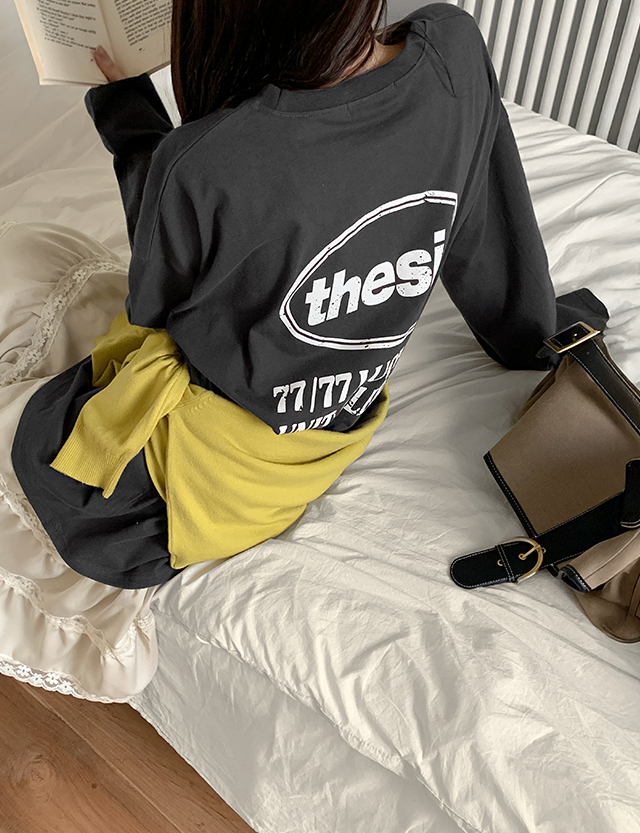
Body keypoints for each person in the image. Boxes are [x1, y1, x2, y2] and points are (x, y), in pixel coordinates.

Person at [9, 0, 608, 592]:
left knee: (46, 444)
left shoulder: (205, 159)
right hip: (340, 420)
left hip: (221, 460)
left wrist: (125, 110)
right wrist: (533, 335)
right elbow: (491, 227)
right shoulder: (455, 47)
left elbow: (155, 309)